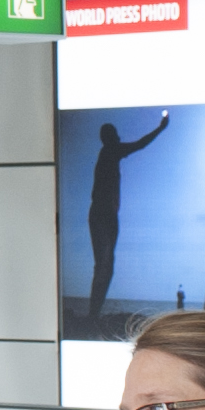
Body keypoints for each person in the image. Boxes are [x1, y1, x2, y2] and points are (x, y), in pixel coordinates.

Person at [80, 109, 170, 330]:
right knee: (104, 264)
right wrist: (160, 128)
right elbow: (139, 144)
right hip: (102, 213)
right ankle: (93, 315)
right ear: (109, 137)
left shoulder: (109, 152)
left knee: (105, 265)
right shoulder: (110, 151)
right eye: (114, 134)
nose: (118, 136)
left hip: (106, 214)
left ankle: (94, 313)